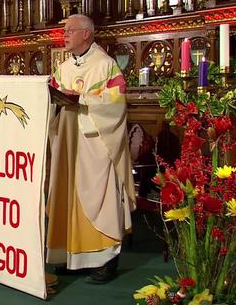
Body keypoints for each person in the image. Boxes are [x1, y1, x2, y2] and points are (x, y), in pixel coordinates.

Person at [46, 14, 135, 284]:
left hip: (95, 141)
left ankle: (104, 261)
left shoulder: (105, 65)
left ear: (87, 33)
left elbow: (116, 100)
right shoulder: (63, 68)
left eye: (70, 30)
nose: (65, 35)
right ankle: (67, 256)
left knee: (100, 197)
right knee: (66, 194)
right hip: (67, 140)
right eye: (64, 31)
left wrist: (82, 98)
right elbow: (52, 93)